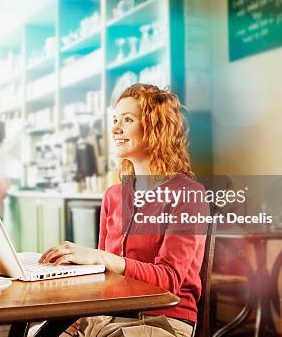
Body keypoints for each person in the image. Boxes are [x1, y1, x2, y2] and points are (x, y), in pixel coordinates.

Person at [38, 84, 208, 337]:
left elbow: (170, 280)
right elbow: (103, 276)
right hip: (106, 316)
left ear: (155, 128)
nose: (115, 128)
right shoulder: (113, 195)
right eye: (115, 119)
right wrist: (77, 311)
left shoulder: (188, 194)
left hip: (163, 320)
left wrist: (102, 257)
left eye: (127, 120)